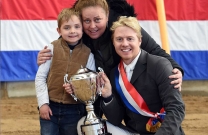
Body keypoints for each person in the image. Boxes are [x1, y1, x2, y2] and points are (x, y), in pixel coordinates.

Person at [37, 0, 183, 116]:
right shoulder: (76, 34)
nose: (92, 26)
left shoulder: (124, 27)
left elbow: (156, 50)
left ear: (107, 16)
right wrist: (47, 57)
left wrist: (177, 69)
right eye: (86, 21)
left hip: (130, 93)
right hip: (95, 94)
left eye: (97, 20)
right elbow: (61, 51)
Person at [97, 16, 185, 135]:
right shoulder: (114, 74)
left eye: (130, 38)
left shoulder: (159, 65)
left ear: (139, 40)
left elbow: (176, 108)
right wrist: (108, 96)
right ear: (113, 42)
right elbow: (116, 119)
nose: (124, 44)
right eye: (119, 39)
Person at [35, 8, 96, 135]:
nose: (72, 31)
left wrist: (77, 91)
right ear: (59, 30)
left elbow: (91, 84)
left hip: (75, 111)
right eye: (67, 27)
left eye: (77, 27)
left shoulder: (88, 54)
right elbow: (40, 77)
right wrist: (43, 104)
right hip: (50, 108)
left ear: (82, 29)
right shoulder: (52, 48)